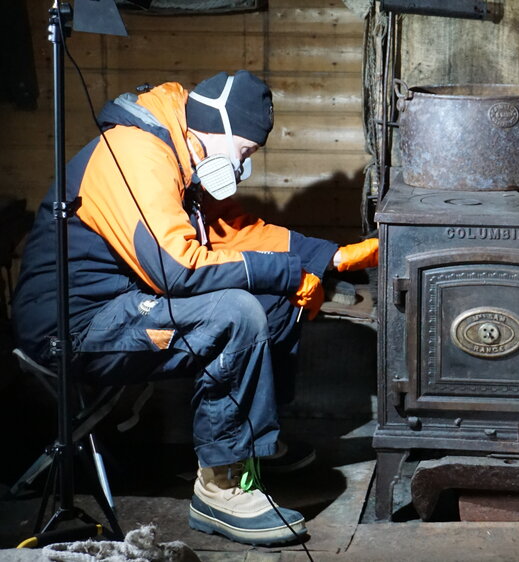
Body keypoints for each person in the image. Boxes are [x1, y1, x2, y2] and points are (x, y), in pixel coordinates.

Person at [11, 70, 378, 545]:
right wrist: (287, 272)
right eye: (245, 152)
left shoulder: (179, 154)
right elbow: (176, 270)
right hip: (71, 327)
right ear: (216, 131)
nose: (244, 167)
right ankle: (220, 487)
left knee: (272, 301)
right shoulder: (137, 154)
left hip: (126, 305)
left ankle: (251, 446)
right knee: (236, 312)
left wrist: (328, 256)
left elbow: (231, 233)